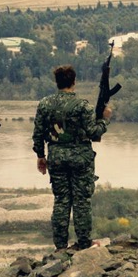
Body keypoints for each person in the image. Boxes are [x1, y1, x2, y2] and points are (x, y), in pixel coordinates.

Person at [33, 65, 111, 252]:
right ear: (74, 82)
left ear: (57, 82)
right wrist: (105, 119)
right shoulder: (82, 106)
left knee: (61, 200)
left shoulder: (44, 104)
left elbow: (37, 134)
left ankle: (60, 246)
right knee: (81, 200)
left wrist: (40, 156)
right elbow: (93, 133)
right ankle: (84, 243)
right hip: (80, 158)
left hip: (56, 157)